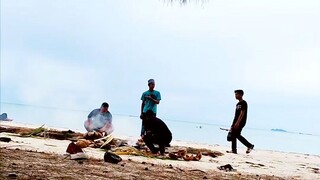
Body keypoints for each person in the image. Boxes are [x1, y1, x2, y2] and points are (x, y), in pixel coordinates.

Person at [227, 90, 254, 154]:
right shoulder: (237, 104)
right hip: (236, 122)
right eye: (235, 94)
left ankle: (249, 145)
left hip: (241, 122)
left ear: (241, 95)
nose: (236, 96)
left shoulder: (243, 103)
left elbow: (242, 113)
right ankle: (234, 150)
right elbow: (236, 115)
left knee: (236, 134)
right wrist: (232, 124)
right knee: (235, 134)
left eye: (237, 94)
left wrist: (238, 122)